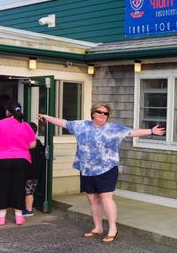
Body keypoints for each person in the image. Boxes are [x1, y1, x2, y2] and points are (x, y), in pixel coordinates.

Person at [38, 103, 165, 243]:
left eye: (106, 113)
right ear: (93, 113)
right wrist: (47, 117)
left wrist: (151, 131)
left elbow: (132, 132)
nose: (103, 115)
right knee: (93, 200)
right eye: (100, 112)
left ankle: (113, 229)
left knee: (106, 198)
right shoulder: (81, 126)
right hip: (86, 169)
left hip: (107, 168)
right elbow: (63, 123)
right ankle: (98, 227)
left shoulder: (114, 128)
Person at [0, 101, 36, 226]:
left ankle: (1, 217)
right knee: (19, 187)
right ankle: (19, 217)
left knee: (2, 187)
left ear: (7, 111)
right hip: (21, 159)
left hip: (2, 159)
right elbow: (32, 145)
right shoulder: (26, 126)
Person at [23, 121, 45, 217]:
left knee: (28, 191)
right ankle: (27, 208)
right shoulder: (38, 142)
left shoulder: (27, 143)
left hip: (28, 171)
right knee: (29, 191)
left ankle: (29, 210)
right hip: (35, 171)